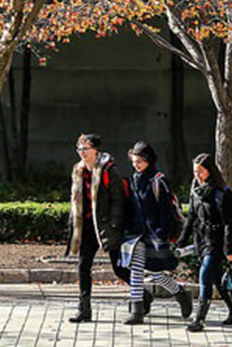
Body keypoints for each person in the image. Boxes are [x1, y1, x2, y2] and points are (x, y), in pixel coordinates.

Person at [120, 140, 193, 325]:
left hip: (155, 233)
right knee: (136, 270)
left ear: (149, 160)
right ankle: (137, 311)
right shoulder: (133, 179)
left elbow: (166, 211)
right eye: (134, 161)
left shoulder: (159, 181)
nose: (136, 165)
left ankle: (180, 293)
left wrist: (162, 233)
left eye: (140, 161)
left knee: (155, 272)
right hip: (136, 234)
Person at [176, 153, 232, 332]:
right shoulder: (196, 190)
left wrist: (229, 249)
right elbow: (191, 217)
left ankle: (199, 319)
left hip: (218, 241)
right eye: (195, 172)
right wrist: (182, 241)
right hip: (202, 240)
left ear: (210, 171)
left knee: (205, 275)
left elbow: (230, 223)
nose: (197, 176)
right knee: (216, 278)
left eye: (200, 172)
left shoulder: (224, 193)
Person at [66, 133, 131, 323]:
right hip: (86, 227)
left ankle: (142, 295)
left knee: (119, 269)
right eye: (79, 149)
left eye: (85, 149)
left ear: (95, 150)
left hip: (105, 226)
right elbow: (75, 200)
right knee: (83, 267)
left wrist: (114, 224)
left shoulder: (108, 169)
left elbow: (118, 200)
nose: (82, 152)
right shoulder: (77, 170)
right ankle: (84, 309)